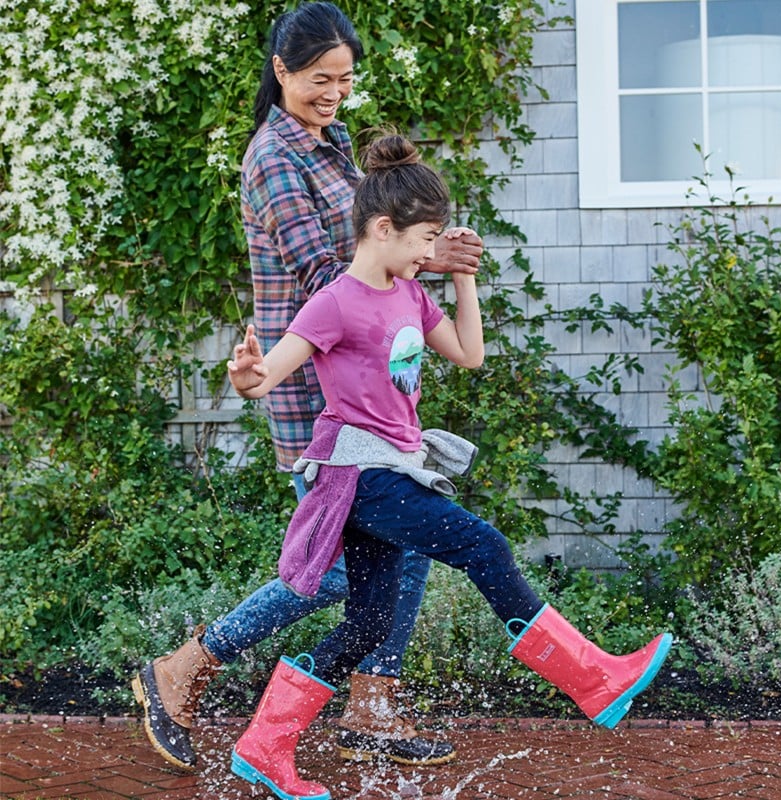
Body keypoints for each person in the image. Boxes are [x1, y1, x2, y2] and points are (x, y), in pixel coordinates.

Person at [225, 133, 674, 800]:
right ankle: (593, 678)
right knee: (481, 543)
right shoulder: (336, 302)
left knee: (370, 624)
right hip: (359, 474)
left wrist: (462, 279)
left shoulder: (409, 294)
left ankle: (265, 746)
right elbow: (269, 377)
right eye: (424, 240)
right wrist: (247, 375)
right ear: (384, 229)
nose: (430, 252)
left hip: (397, 466)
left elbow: (468, 353)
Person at [131, 1, 481, 772]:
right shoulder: (274, 159)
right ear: (282, 71)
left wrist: (428, 247)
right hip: (315, 394)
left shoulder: (331, 147)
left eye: (346, 79)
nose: (334, 92)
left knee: (410, 542)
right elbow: (333, 277)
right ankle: (183, 666)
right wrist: (418, 261)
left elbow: (377, 246)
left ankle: (374, 703)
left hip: (373, 393)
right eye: (321, 78)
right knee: (329, 569)